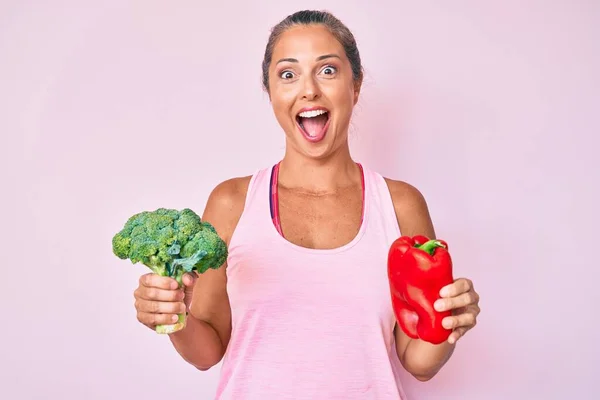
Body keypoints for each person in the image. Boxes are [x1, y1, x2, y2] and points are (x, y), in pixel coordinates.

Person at [132, 9, 481, 399]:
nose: (309, 90)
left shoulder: (400, 204)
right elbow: (207, 351)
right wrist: (173, 317)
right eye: (288, 74)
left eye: (328, 70)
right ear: (270, 91)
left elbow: (417, 361)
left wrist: (449, 324)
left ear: (356, 85)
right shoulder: (232, 202)